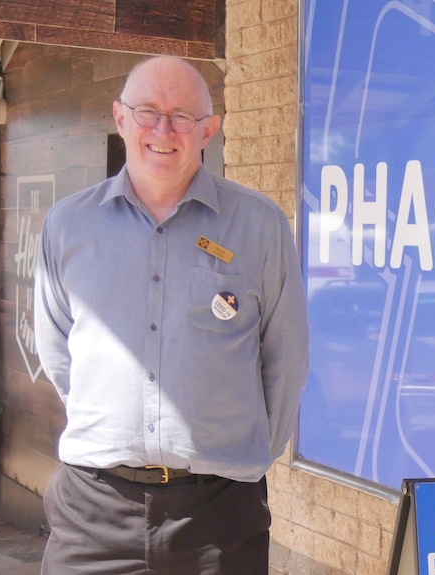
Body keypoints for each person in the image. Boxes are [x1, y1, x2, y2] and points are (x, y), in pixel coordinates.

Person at [34, 55, 309, 574]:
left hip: (218, 517)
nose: (163, 129)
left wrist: (236, 457)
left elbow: (285, 359)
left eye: (182, 115)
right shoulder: (68, 225)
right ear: (120, 119)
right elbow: (58, 353)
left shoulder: (261, 227)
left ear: (209, 129)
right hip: (92, 512)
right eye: (147, 112)